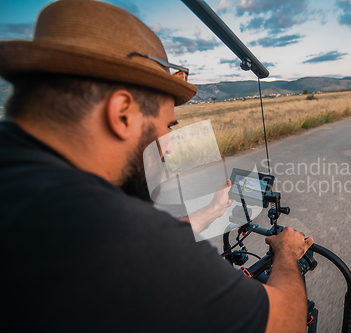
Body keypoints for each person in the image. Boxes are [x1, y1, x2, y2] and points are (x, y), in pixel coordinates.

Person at [0, 1, 313, 332]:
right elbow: (286, 323)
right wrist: (288, 254)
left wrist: (208, 212)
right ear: (122, 114)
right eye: (167, 127)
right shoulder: (115, 235)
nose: (167, 148)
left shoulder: (24, 184)